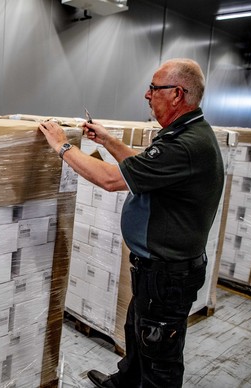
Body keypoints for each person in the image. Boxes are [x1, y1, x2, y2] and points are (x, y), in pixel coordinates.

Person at [38, 58, 225, 388]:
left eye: (154, 88)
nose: (146, 95)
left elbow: (111, 180)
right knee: (138, 336)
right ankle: (124, 383)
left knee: (160, 359)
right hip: (157, 270)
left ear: (178, 94)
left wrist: (61, 145)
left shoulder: (186, 145)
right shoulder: (181, 134)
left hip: (167, 273)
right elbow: (140, 167)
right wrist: (107, 141)